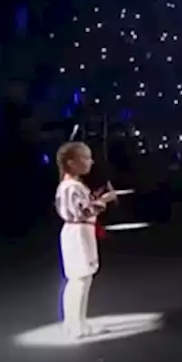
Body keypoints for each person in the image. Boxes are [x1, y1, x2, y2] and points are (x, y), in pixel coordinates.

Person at [53, 141, 117, 339]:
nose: (90, 161)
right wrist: (102, 201)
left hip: (81, 232)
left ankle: (76, 322)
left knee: (81, 280)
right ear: (71, 162)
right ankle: (75, 325)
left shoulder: (73, 186)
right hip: (78, 233)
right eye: (86, 158)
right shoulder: (70, 186)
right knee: (79, 279)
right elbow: (79, 212)